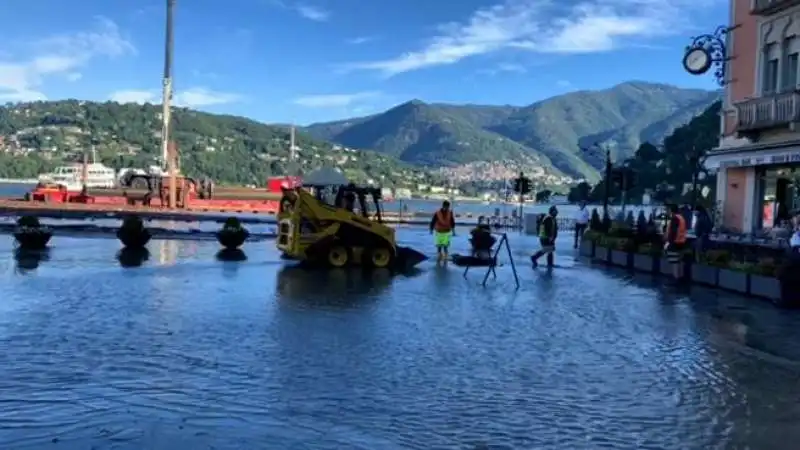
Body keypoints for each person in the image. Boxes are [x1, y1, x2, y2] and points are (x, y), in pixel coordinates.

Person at [664, 204, 688, 281]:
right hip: (681, 242)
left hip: (675, 242)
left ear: (671, 210)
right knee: (679, 261)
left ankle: (675, 279)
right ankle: (681, 278)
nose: (667, 211)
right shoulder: (681, 218)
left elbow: (673, 232)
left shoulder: (675, 218)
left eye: (668, 210)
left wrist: (668, 242)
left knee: (675, 262)